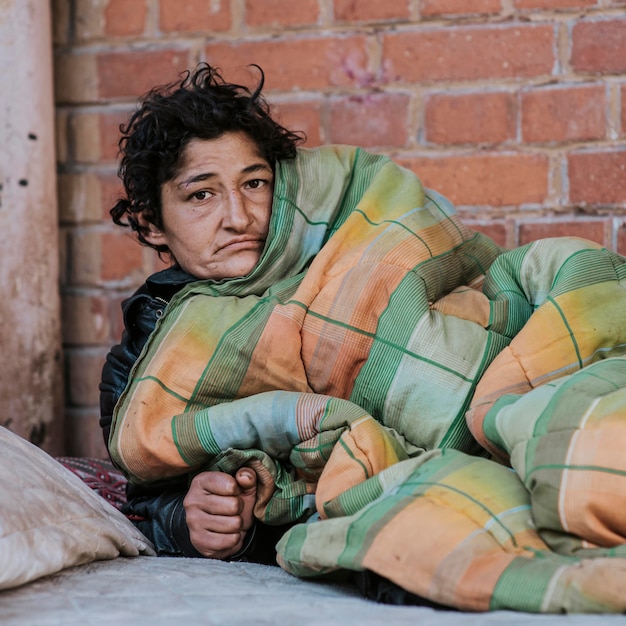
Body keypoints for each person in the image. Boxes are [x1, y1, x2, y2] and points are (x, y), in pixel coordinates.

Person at [100, 63, 304, 562]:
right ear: (151, 224)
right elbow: (148, 497)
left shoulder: (336, 277)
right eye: (201, 194)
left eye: (255, 183)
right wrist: (195, 519)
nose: (239, 217)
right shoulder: (140, 369)